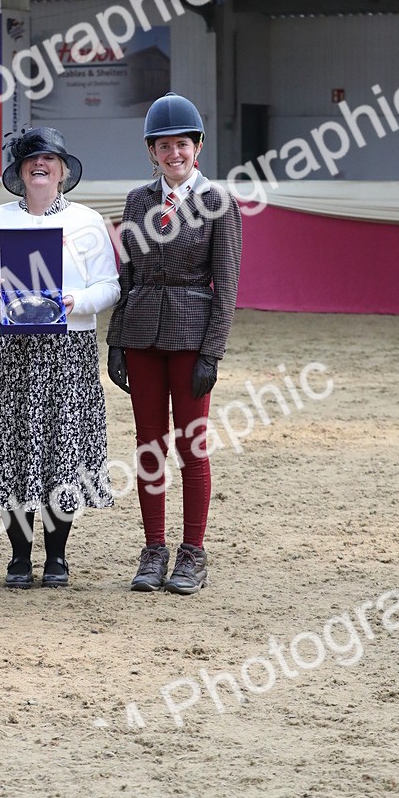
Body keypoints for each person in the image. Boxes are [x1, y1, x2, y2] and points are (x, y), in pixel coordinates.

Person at [0, 127, 120, 589]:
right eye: (32, 160)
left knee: (61, 453)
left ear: (63, 170)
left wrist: (76, 302)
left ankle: (58, 557)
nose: (40, 165)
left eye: (49, 159)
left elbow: (110, 286)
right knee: (13, 450)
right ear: (20, 172)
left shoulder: (88, 221)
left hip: (67, 348)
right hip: (8, 349)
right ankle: (17, 558)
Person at [106, 93, 242, 595]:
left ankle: (193, 553)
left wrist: (212, 352)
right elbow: (127, 275)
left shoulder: (218, 203)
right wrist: (117, 340)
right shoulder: (139, 201)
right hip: (142, 333)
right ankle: (154, 549)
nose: (173, 154)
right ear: (152, 152)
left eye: (181, 145)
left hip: (191, 332)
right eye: (164, 147)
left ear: (197, 147)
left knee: (192, 447)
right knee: (149, 447)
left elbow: (227, 285)